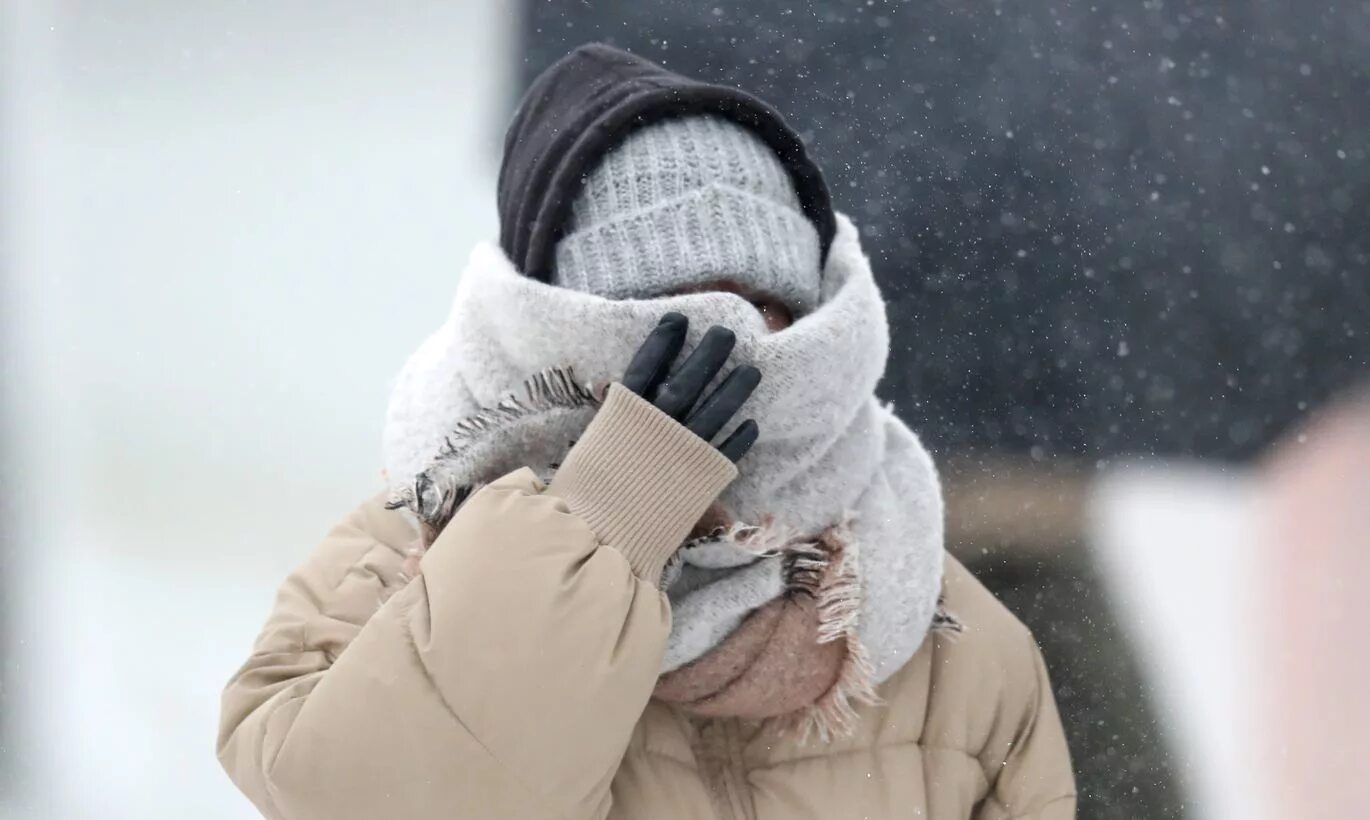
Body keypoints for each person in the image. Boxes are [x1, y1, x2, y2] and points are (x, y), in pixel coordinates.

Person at [217, 43, 1075, 819]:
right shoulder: (393, 563)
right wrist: (600, 524)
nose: (723, 341)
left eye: (758, 305)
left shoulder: (928, 614)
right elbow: (367, 797)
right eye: (665, 310)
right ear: (555, 324)